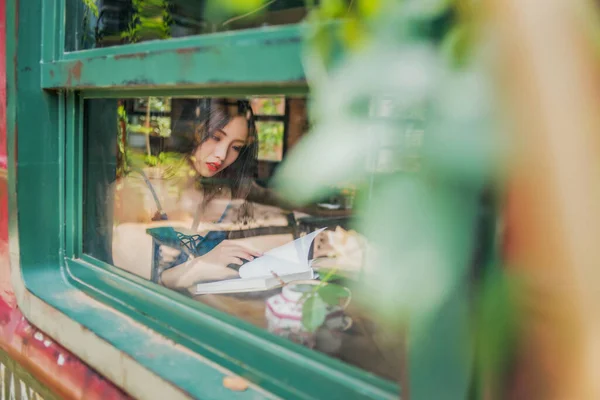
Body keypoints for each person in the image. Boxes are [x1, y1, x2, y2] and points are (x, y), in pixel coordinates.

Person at [112, 98, 263, 292]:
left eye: (236, 147)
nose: (221, 154)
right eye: (216, 137)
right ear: (192, 131)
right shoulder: (140, 188)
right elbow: (128, 284)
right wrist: (198, 267)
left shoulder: (225, 194)